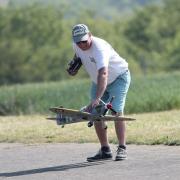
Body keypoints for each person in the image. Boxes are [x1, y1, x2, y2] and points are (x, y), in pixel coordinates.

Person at [67, 24, 131, 161]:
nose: (81, 44)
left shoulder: (99, 48)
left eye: (84, 41)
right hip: (98, 80)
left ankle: (122, 148)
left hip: (118, 77)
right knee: (96, 113)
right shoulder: (77, 45)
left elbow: (103, 73)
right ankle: (105, 150)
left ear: (90, 35)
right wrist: (75, 65)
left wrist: (97, 97)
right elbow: (79, 55)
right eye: (78, 42)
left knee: (116, 111)